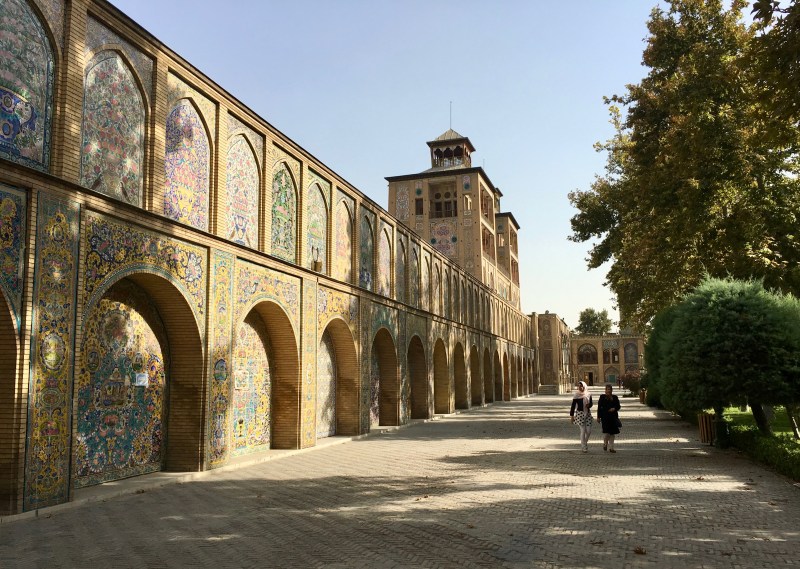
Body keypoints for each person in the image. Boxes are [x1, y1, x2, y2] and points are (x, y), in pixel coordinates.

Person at [570, 380, 593, 453]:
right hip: (580, 414)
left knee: (588, 431)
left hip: (588, 414)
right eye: (579, 386)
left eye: (581, 386)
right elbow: (573, 406)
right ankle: (583, 446)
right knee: (583, 431)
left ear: (584, 387)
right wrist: (572, 416)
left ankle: (585, 442)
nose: (580, 388)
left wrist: (589, 405)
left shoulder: (588, 394)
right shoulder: (576, 395)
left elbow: (591, 403)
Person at [597, 383, 621, 452]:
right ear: (605, 390)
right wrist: (598, 417)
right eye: (607, 389)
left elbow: (618, 406)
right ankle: (605, 443)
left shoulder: (615, 397)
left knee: (612, 433)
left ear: (612, 390)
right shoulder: (602, 397)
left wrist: (614, 408)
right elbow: (599, 408)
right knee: (607, 433)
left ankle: (611, 448)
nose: (608, 391)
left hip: (613, 417)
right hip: (605, 417)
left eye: (610, 389)